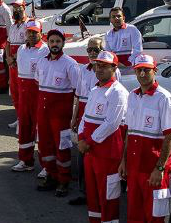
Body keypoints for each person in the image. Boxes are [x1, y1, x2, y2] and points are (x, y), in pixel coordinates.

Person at [116, 54, 171, 223]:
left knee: (154, 217)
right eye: (139, 70)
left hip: (153, 172)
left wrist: (159, 168)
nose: (142, 74)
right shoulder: (133, 96)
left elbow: (169, 136)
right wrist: (123, 161)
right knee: (135, 213)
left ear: (155, 70)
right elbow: (130, 133)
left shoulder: (164, 98)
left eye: (146, 70)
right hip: (134, 167)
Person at [75, 49, 128, 223]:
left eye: (104, 66)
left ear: (114, 68)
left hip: (107, 152)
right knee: (94, 192)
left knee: (109, 195)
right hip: (91, 151)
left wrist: (89, 141)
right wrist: (81, 137)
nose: (100, 69)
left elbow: (112, 123)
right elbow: (85, 118)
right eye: (98, 65)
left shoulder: (118, 92)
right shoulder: (95, 89)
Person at [34, 29, 80, 195]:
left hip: (61, 116)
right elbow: (38, 82)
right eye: (52, 41)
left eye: (58, 42)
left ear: (63, 43)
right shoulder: (42, 62)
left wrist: (74, 117)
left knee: (62, 146)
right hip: (44, 112)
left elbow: (77, 91)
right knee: (46, 146)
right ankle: (51, 176)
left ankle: (64, 180)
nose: (55, 44)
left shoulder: (70, 64)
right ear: (48, 43)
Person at [67, 36, 104, 206]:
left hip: (100, 118)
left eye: (95, 49)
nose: (91, 53)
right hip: (84, 115)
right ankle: (84, 192)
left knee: (99, 157)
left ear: (102, 51)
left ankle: (99, 193)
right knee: (82, 156)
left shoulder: (111, 71)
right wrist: (74, 118)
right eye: (89, 49)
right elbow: (78, 96)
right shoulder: (83, 70)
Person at [11, 21, 49, 172]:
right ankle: (26, 161)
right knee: (25, 128)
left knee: (41, 131)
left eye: (35, 32)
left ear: (41, 33)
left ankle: (46, 166)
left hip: (38, 95)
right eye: (29, 32)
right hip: (24, 96)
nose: (32, 35)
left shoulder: (45, 50)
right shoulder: (21, 49)